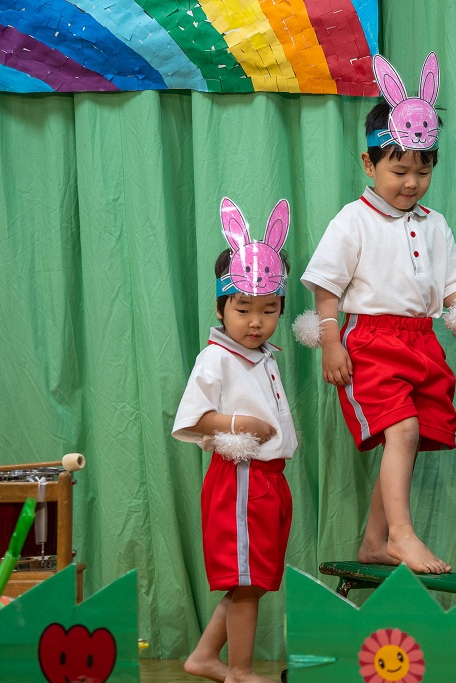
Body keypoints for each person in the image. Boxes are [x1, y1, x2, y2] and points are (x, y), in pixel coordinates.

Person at [301, 53, 456, 575]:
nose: (411, 182)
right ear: (369, 163)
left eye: (423, 170)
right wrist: (330, 340)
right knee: (402, 431)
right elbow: (326, 286)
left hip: (421, 341)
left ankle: (375, 541)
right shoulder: (353, 220)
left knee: (410, 436)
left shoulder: (435, 224)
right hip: (371, 342)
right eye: (399, 170)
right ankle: (401, 535)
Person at [172, 198, 297, 683]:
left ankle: (205, 657)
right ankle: (239, 670)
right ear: (221, 307)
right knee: (245, 582)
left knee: (253, 581)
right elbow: (194, 418)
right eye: (243, 309)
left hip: (269, 481)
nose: (256, 321)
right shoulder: (216, 358)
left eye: (269, 309)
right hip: (240, 479)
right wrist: (240, 424)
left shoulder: (263, 355)